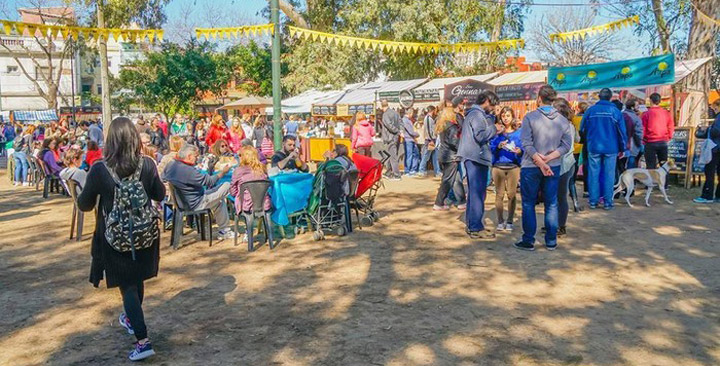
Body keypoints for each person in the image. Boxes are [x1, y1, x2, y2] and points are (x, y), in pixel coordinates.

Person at [76, 117, 165, 361]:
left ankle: (143, 340)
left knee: (127, 287)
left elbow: (84, 205)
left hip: (114, 237)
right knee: (135, 282)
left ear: (110, 141)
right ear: (135, 138)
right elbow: (160, 193)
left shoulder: (99, 169)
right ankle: (131, 319)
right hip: (145, 234)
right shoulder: (147, 164)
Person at [514, 85, 572, 251]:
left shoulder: (530, 117)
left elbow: (526, 143)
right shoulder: (562, 120)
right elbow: (566, 145)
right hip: (553, 166)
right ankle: (551, 240)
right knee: (551, 203)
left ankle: (528, 240)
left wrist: (540, 160)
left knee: (528, 203)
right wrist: (549, 158)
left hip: (531, 166)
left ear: (539, 98)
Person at [164, 144, 236, 240]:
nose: (197, 159)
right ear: (189, 156)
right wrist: (223, 172)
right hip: (196, 202)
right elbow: (209, 181)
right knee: (227, 185)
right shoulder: (188, 171)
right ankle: (241, 209)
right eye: (196, 156)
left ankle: (224, 230)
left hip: (180, 203)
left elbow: (163, 177)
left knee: (219, 201)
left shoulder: (171, 164)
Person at [457, 90, 502, 239]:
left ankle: (474, 225)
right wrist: (495, 128)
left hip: (474, 157)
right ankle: (475, 227)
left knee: (475, 193)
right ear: (487, 101)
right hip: (476, 157)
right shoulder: (477, 115)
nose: (493, 108)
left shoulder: (475, 114)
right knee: (477, 194)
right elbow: (481, 135)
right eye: (493, 104)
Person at [580, 88, 627, 210]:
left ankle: (593, 202)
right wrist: (623, 147)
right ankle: (607, 202)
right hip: (611, 148)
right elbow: (622, 132)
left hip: (594, 147)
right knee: (609, 174)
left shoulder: (590, 111)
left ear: (599, 97)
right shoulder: (615, 111)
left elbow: (582, 129)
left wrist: (588, 141)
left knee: (593, 174)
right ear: (610, 97)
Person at [489, 106, 523, 231]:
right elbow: (491, 148)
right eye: (503, 116)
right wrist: (498, 146)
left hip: (513, 167)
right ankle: (500, 221)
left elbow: (523, 148)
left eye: (508, 116)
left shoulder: (518, 133)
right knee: (499, 195)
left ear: (512, 116)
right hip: (498, 167)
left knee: (511, 194)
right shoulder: (497, 133)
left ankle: (509, 220)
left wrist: (520, 151)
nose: (505, 118)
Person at [553, 97, 579, 237]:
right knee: (561, 196)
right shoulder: (570, 125)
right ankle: (557, 224)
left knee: (559, 197)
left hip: (561, 163)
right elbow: (578, 140)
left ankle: (560, 226)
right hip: (570, 163)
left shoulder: (559, 125)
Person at [433, 108, 466, 211]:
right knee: (447, 181)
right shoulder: (452, 127)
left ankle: (461, 201)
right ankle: (439, 203)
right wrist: (462, 149)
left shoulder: (443, 125)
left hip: (443, 155)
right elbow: (454, 141)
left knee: (456, 179)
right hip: (451, 156)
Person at [230, 146, 272, 217]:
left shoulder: (238, 171)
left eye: (240, 155)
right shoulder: (263, 169)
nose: (238, 157)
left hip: (246, 205)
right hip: (265, 204)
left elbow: (233, 192)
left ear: (244, 157)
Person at [694, 109, 720, 203]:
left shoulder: (719, 117)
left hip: (715, 148)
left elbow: (716, 131)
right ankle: (718, 195)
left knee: (710, 172)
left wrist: (708, 128)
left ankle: (707, 196)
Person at [642, 92, 674, 170]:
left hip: (650, 142)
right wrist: (669, 137)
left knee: (650, 166)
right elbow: (670, 126)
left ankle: (651, 182)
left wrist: (643, 139)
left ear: (650, 101)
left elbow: (643, 128)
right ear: (660, 101)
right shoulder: (666, 113)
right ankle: (664, 182)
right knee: (664, 166)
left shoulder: (646, 114)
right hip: (663, 141)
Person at [379, 100, 402, 180]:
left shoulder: (385, 114)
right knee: (391, 155)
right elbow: (401, 123)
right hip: (396, 137)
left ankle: (397, 175)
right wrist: (400, 132)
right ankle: (388, 172)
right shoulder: (395, 113)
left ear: (382, 107)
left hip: (390, 137)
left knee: (393, 156)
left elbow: (388, 125)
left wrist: (397, 131)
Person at [418, 106, 441, 177]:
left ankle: (437, 172)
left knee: (435, 156)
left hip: (432, 139)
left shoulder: (429, 118)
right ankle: (421, 170)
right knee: (426, 156)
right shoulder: (428, 118)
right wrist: (431, 140)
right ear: (432, 110)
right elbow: (429, 130)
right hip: (430, 140)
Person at [622, 98, 644, 170]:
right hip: (632, 145)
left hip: (620, 145)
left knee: (621, 166)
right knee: (631, 167)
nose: (638, 107)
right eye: (637, 105)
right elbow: (639, 133)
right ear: (632, 107)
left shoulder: (620, 115)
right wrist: (640, 144)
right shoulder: (636, 118)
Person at [401, 108, 420, 176]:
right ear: (410, 113)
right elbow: (411, 132)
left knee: (411, 155)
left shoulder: (405, 120)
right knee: (411, 155)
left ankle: (410, 169)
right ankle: (409, 170)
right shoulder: (406, 120)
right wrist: (417, 134)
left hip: (409, 139)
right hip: (409, 139)